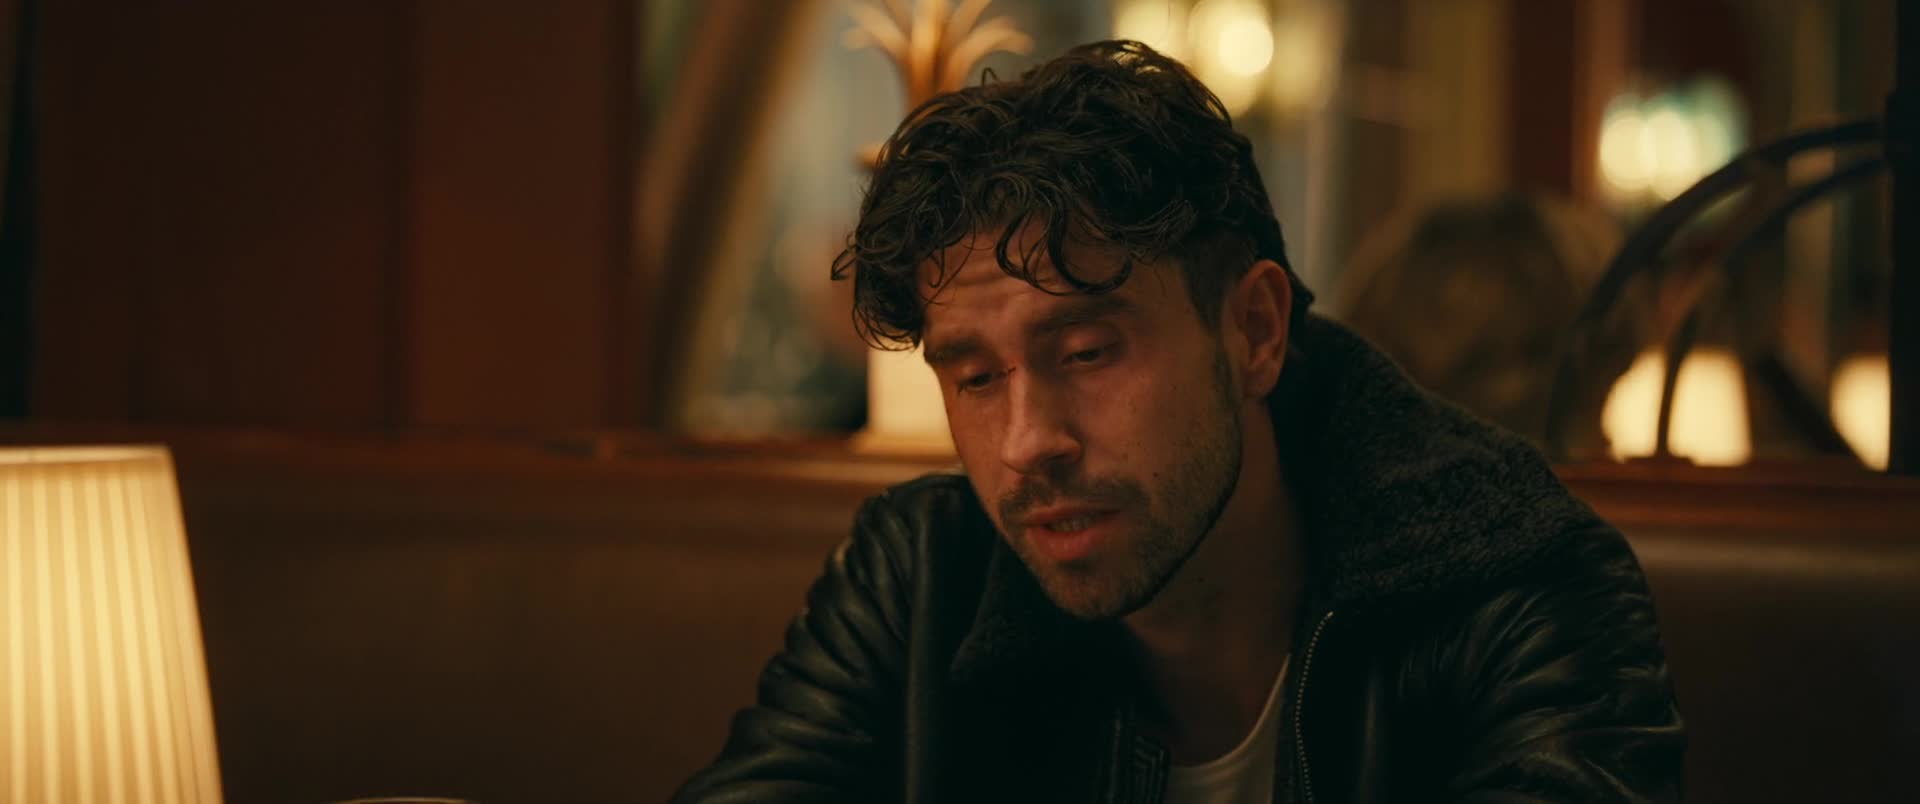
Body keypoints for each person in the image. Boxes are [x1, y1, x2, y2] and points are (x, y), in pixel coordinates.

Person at [674, 41, 1683, 803]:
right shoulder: (922, 578)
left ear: (1254, 331)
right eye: (975, 378)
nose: (1028, 443)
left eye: (1087, 353)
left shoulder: (1514, 588)